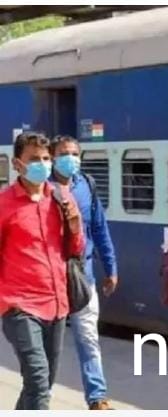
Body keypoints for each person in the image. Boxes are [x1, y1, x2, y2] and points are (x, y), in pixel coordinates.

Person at [0, 131, 85, 410]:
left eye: (46, 158)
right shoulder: (4, 204)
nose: (43, 164)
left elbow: (75, 249)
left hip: (56, 304)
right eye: (34, 159)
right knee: (38, 379)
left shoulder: (61, 198)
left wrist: (74, 225)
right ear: (18, 164)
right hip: (19, 305)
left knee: (41, 384)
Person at [49, 135, 119, 410]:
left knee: (88, 338)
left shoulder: (86, 185)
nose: (71, 158)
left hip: (82, 274)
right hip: (51, 276)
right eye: (64, 153)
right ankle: (39, 397)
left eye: (75, 153)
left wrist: (111, 267)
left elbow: (99, 228)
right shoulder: (43, 188)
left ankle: (97, 397)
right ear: (53, 157)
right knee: (48, 345)